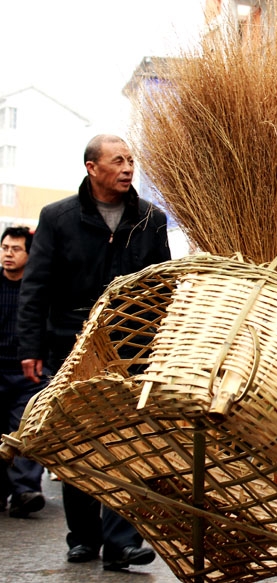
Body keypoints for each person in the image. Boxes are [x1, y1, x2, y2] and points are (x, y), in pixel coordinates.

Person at [17, 134, 171, 571]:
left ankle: (122, 541)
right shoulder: (58, 217)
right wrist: (31, 346)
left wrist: (162, 345)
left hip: (131, 344)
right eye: (117, 161)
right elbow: (36, 287)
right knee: (77, 438)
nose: (127, 168)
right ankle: (82, 537)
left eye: (131, 161)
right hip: (71, 342)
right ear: (92, 168)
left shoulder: (150, 219)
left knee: (127, 440)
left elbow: (164, 287)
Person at [0, 226, 49, 518]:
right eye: (5, 248)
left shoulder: (40, 291)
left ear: (30, 255)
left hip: (30, 373)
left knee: (25, 430)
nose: (8, 254)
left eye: (16, 249)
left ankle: (25, 491)